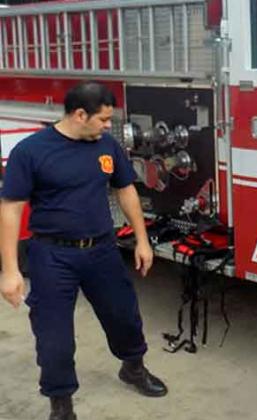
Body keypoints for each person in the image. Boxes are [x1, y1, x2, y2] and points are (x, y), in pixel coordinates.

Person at [0, 82, 167, 420]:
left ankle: (133, 367)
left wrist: (143, 241)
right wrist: (10, 270)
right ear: (80, 115)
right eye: (104, 119)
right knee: (54, 335)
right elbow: (11, 207)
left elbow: (126, 191)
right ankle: (61, 403)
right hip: (51, 256)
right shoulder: (31, 151)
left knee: (124, 316)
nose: (109, 126)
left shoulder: (107, 146)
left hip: (102, 251)